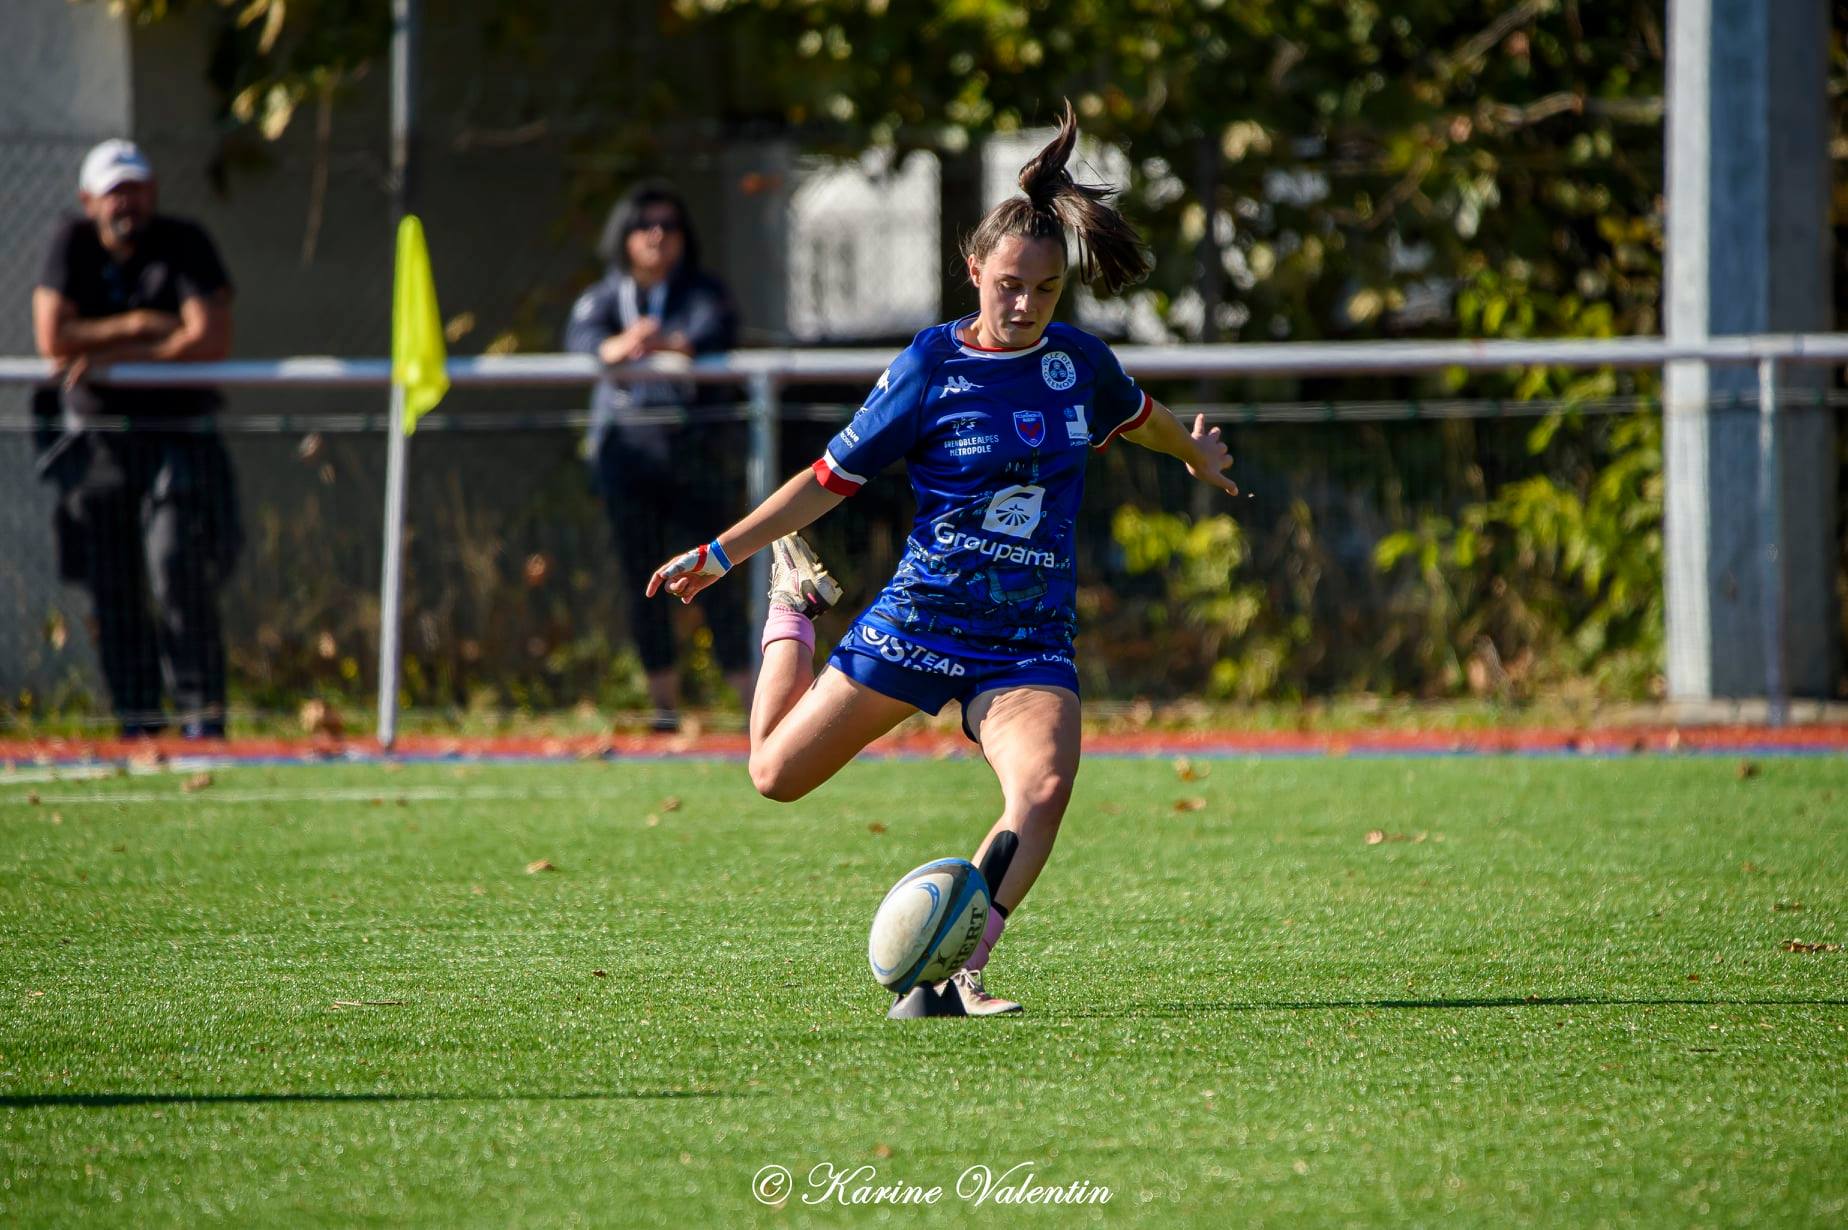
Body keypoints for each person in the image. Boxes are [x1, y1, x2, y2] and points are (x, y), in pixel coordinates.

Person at [646, 103, 1239, 1015]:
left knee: (1042, 785)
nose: (1022, 305)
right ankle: (791, 605)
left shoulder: (1077, 365)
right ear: (974, 269)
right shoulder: (929, 368)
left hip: (1025, 640)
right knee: (774, 776)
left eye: (1043, 291)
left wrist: (1194, 453)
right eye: (1007, 285)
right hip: (922, 620)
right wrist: (725, 553)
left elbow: (1139, 418)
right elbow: (824, 479)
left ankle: (962, 971)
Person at [31, 139, 239, 740]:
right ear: (88, 199)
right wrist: (147, 326)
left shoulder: (184, 242)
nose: (129, 201)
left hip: (177, 437)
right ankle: (137, 722)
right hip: (99, 444)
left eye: (138, 187)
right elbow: (55, 337)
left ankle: (204, 719)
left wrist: (116, 351)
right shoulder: (69, 243)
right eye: (116, 189)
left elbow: (209, 338)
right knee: (112, 582)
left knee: (178, 569)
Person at [566, 182, 749, 732]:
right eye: (645, 226)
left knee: (718, 574)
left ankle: (752, 709)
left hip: (693, 458)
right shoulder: (602, 296)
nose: (657, 237)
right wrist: (617, 347)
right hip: (627, 462)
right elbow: (585, 343)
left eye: (669, 226)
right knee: (640, 582)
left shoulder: (701, 291)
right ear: (623, 236)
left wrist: (658, 343)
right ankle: (663, 713)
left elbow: (708, 332)